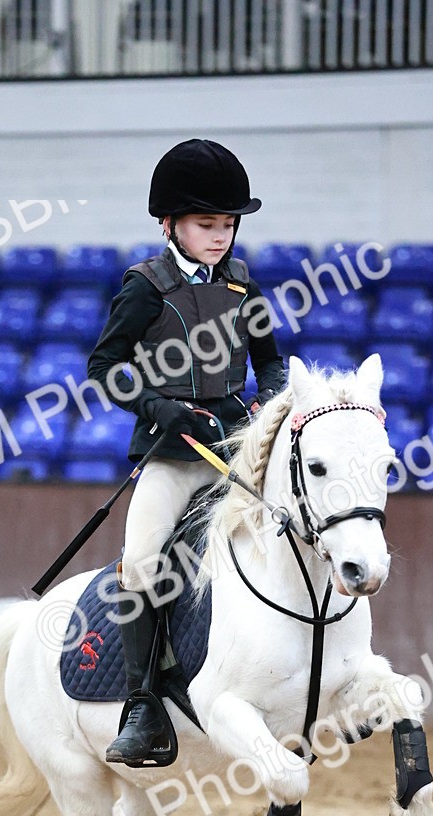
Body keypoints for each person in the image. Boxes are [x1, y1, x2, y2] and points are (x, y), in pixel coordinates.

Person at [88, 137, 287, 767]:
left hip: (235, 454)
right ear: (168, 223)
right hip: (173, 458)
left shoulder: (242, 285)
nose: (221, 235)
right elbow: (106, 366)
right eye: (208, 224)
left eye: (228, 224)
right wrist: (155, 405)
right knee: (142, 562)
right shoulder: (145, 287)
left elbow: (270, 362)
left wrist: (273, 403)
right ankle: (144, 706)